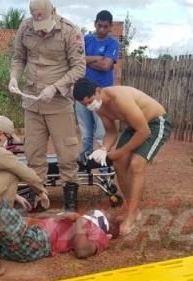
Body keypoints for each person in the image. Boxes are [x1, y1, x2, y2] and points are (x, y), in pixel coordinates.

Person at [9, 0, 86, 211]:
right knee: (34, 154)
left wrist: (55, 87)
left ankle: (70, 199)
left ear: (53, 12)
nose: (41, 31)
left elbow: (79, 68)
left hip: (59, 103)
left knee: (67, 154)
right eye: (37, 25)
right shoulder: (25, 28)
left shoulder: (70, 32)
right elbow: (18, 58)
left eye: (44, 25)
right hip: (32, 102)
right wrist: (14, 78)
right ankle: (38, 198)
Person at [72, 78, 173, 235]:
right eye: (85, 104)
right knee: (118, 163)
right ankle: (132, 209)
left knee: (136, 164)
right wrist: (104, 149)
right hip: (136, 125)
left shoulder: (120, 99)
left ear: (98, 91)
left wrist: (119, 152)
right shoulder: (98, 107)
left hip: (155, 123)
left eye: (90, 101)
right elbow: (111, 131)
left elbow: (144, 132)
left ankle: (131, 216)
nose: (89, 106)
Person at [0, 191, 118, 281]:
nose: (103, 212)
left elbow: (82, 251)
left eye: (108, 216)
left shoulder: (100, 234)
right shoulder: (80, 222)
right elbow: (39, 224)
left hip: (36, 243)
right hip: (30, 237)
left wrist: (79, 219)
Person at [77, 10, 119, 166]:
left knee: (102, 134)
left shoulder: (113, 43)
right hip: (83, 94)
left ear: (110, 27)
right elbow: (78, 60)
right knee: (86, 134)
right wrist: (96, 58)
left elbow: (106, 65)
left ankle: (104, 168)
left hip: (102, 95)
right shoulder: (86, 39)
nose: (101, 29)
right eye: (99, 26)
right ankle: (84, 164)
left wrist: (87, 60)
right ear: (95, 24)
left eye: (105, 27)